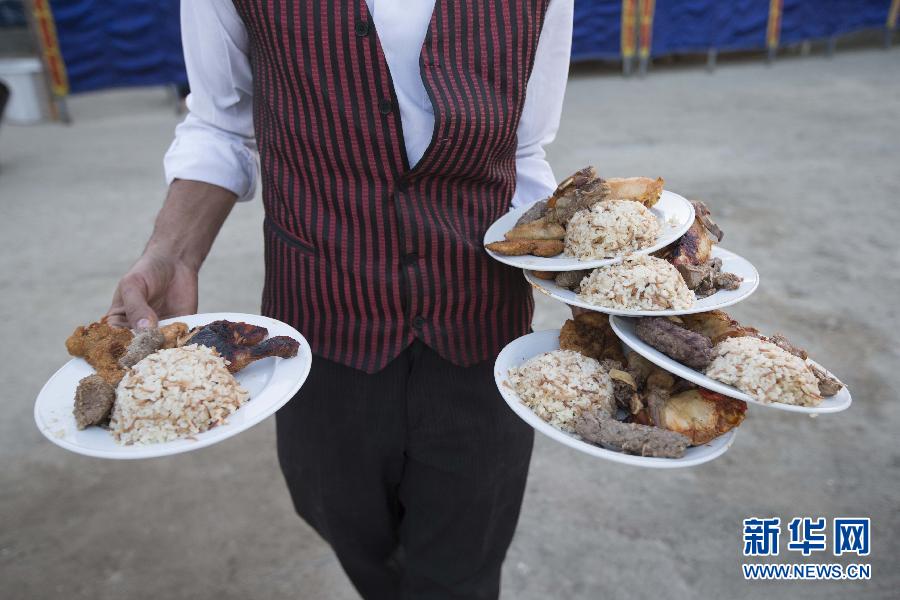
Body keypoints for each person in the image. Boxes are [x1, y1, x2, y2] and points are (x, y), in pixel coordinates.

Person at [107, 1, 573, 598]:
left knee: (466, 557)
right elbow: (222, 124)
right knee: (343, 524)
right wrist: (173, 253)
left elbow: (524, 147)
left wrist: (577, 266)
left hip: (480, 324)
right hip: (321, 322)